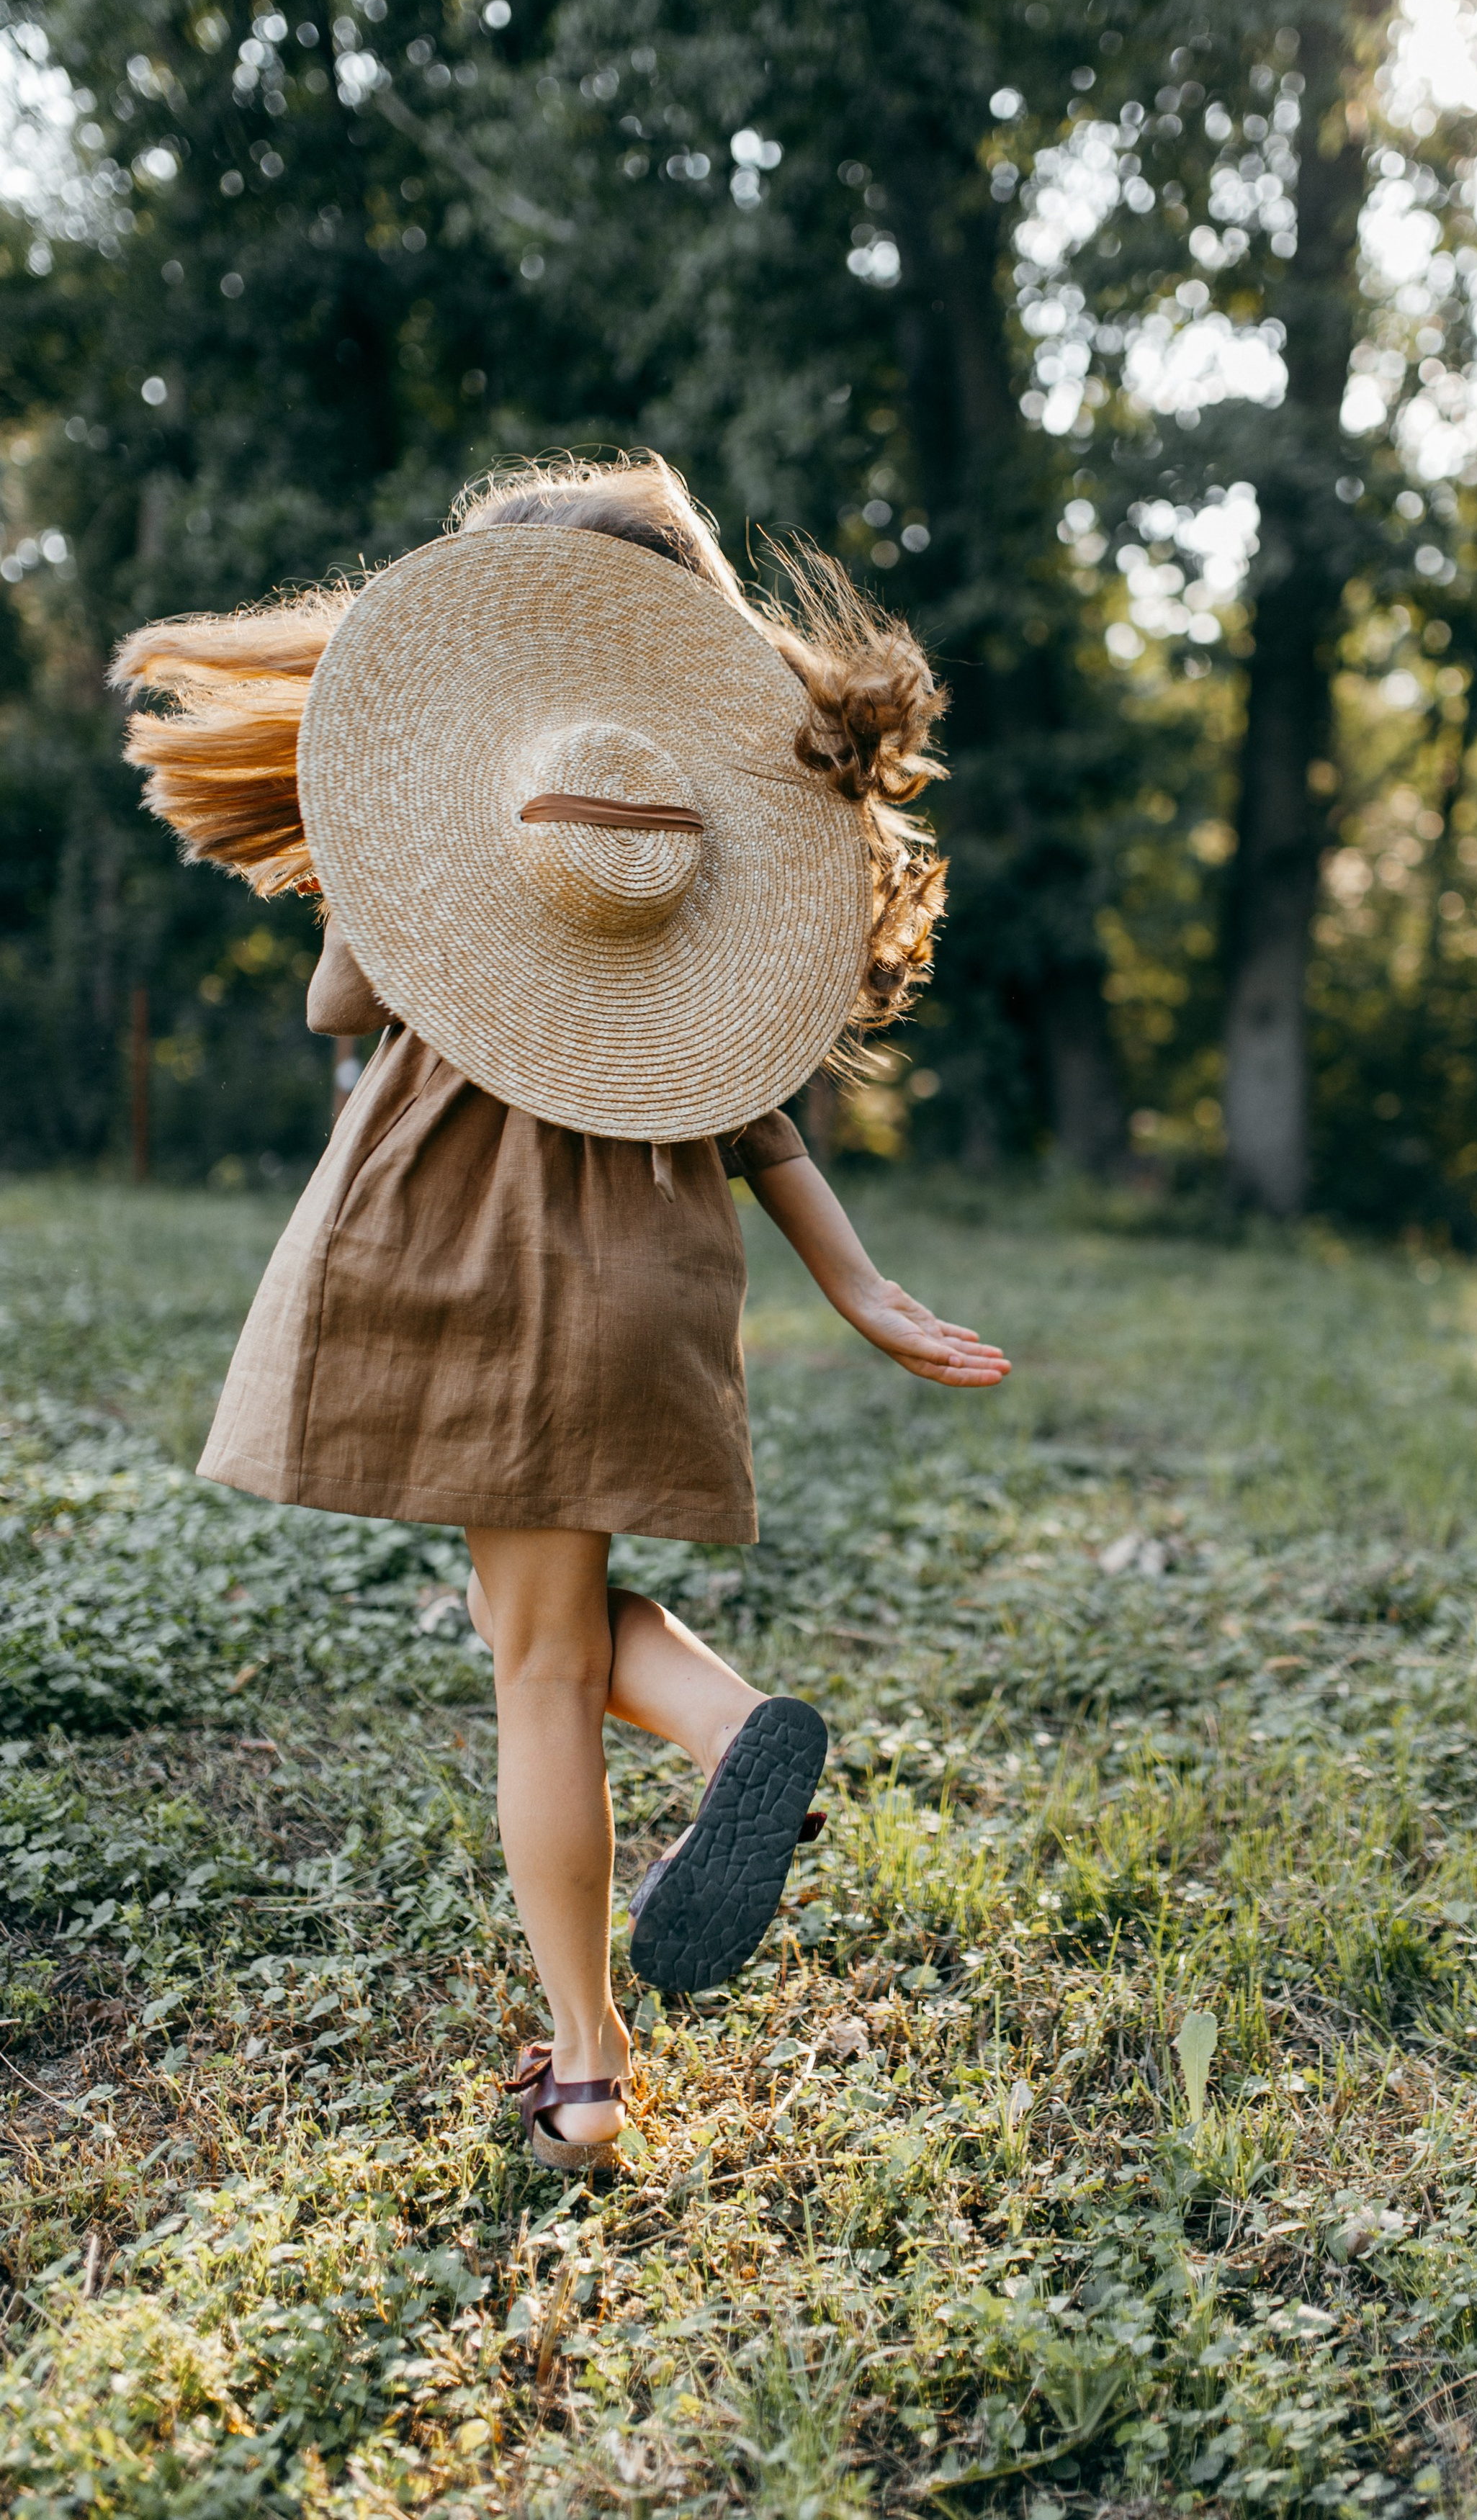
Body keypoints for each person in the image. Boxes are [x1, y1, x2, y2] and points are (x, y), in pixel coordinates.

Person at [112, 456, 1010, 2169]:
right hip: (652, 1285)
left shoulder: (463, 867)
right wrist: (861, 1285)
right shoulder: (695, 883)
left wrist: (418, 816)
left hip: (470, 1271)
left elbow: (337, 1001)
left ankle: (594, 2062)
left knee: (528, 1661)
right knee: (561, 1619)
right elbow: (763, 1115)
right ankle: (716, 1763)